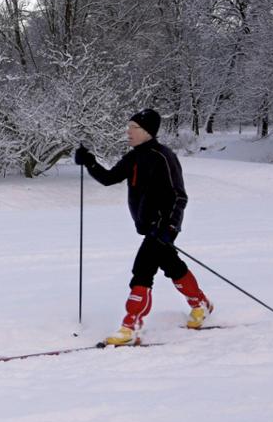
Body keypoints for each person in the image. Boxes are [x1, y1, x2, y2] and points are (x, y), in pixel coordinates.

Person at [74, 108, 212, 346]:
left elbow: (179, 196)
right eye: (128, 127)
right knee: (172, 265)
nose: (128, 132)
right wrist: (89, 162)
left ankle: (131, 326)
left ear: (148, 132)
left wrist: (169, 226)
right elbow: (108, 178)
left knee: (142, 269)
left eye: (134, 128)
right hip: (149, 227)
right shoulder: (134, 157)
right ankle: (201, 305)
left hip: (164, 226)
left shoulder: (163, 157)